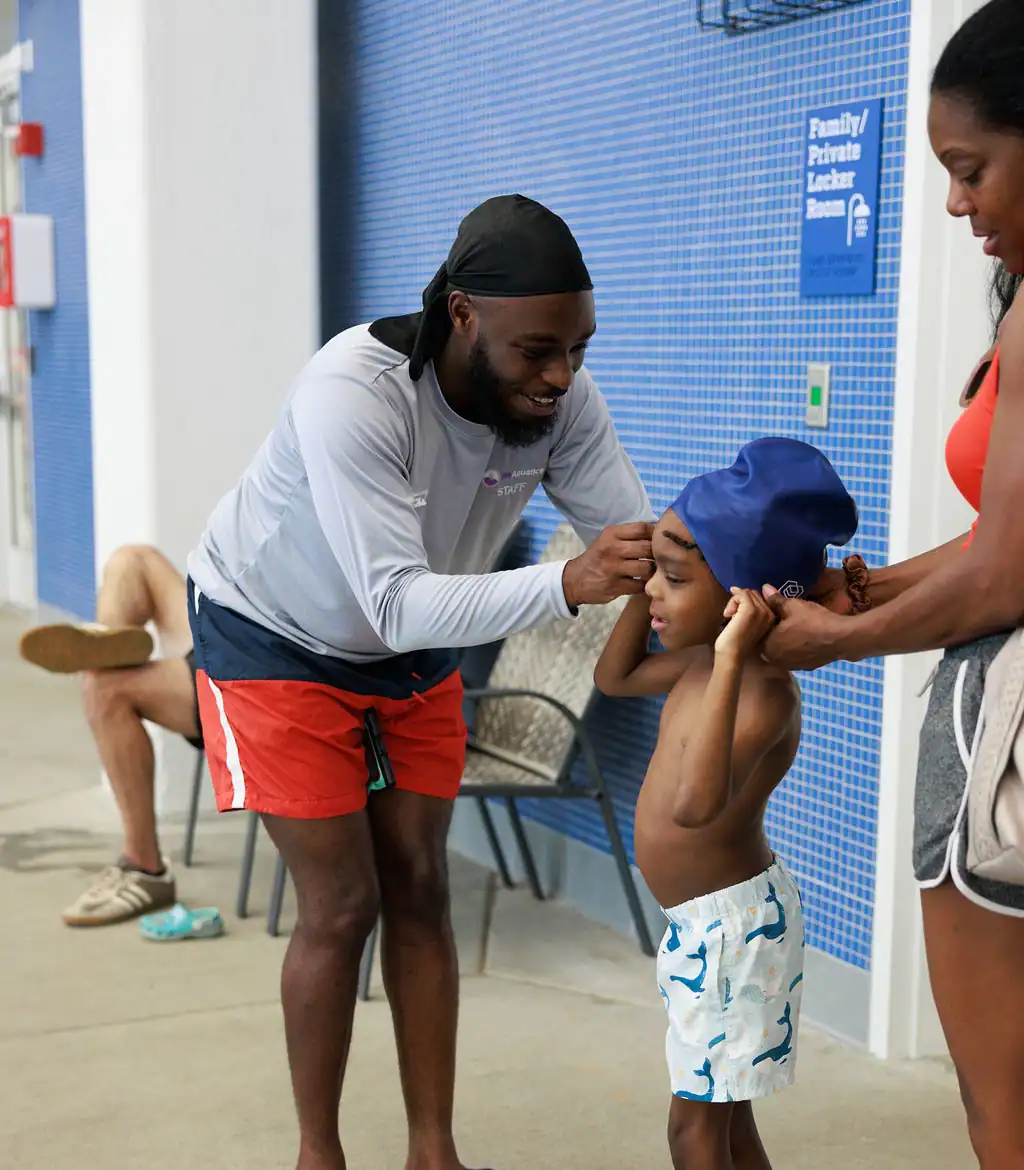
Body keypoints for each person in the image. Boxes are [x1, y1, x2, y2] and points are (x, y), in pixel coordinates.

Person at [186, 194, 656, 1170]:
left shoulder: (559, 399)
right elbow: (399, 600)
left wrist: (757, 582)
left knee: (421, 887)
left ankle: (432, 1154)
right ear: (461, 316)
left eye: (578, 348)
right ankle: (320, 1155)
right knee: (342, 902)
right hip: (273, 634)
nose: (561, 375)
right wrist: (569, 581)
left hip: (407, 653)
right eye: (537, 350)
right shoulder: (352, 390)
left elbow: (638, 539)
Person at [758, 2, 1024, 1164]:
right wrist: (870, 591)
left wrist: (825, 643)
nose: (956, 202)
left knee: (1002, 1102)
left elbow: (1002, 579)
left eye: (970, 169)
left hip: (1005, 737)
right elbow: (998, 541)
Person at [594, 438, 858, 1170]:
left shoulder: (764, 693)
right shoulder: (701, 661)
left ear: (742, 598)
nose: (655, 593)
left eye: (674, 579)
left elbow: (694, 806)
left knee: (696, 1134)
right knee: (728, 1129)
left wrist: (737, 658)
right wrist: (638, 589)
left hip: (732, 937)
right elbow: (616, 679)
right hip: (710, 931)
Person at [19, 545, 203, 926]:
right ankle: (108, 645)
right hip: (224, 629)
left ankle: (144, 867)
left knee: (101, 688)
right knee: (132, 561)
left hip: (253, 671)